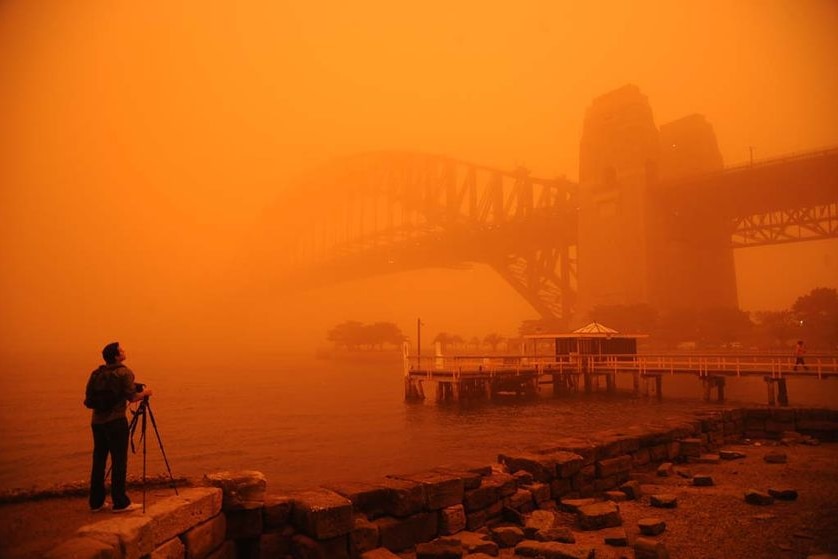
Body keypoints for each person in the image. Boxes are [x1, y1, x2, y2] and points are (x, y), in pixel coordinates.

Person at [85, 342, 153, 513]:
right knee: (119, 461)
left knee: (99, 461)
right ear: (116, 356)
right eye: (121, 350)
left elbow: (89, 397)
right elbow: (132, 397)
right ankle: (120, 502)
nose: (124, 351)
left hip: (97, 423)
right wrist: (146, 393)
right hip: (116, 421)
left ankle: (96, 502)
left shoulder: (96, 374)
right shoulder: (124, 372)